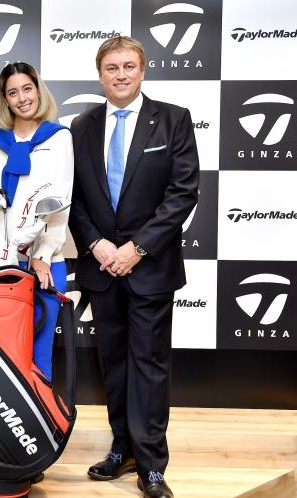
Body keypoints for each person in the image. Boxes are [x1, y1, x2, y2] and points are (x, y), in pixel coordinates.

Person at [68, 36, 199, 498]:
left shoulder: (174, 119)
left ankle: (151, 465)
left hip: (150, 268)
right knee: (115, 364)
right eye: (111, 67)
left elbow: (183, 193)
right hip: (102, 267)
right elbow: (72, 197)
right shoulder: (80, 126)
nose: (120, 75)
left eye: (128, 66)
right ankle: (121, 448)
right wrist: (97, 244)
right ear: (100, 74)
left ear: (142, 70)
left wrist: (136, 248)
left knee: (149, 366)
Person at [0, 62, 73, 381]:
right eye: (13, 92)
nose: (22, 98)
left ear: (39, 90)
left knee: (40, 354)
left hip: (45, 264)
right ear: (5, 99)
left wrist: (41, 255)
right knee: (0, 354)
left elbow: (60, 202)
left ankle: (38, 414)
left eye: (27, 88)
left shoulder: (59, 138)